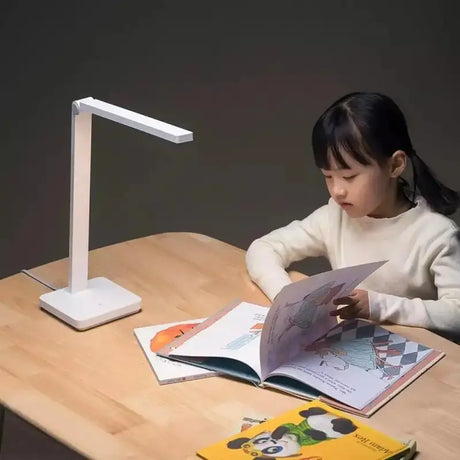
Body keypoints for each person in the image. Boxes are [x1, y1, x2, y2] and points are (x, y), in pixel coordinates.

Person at [246, 92, 460, 339]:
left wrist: (378, 306)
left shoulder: (437, 235)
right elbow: (263, 248)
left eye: (349, 177)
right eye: (328, 176)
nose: (337, 190)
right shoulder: (335, 217)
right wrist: (290, 300)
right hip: (352, 349)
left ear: (395, 165)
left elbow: (456, 313)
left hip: (421, 362)